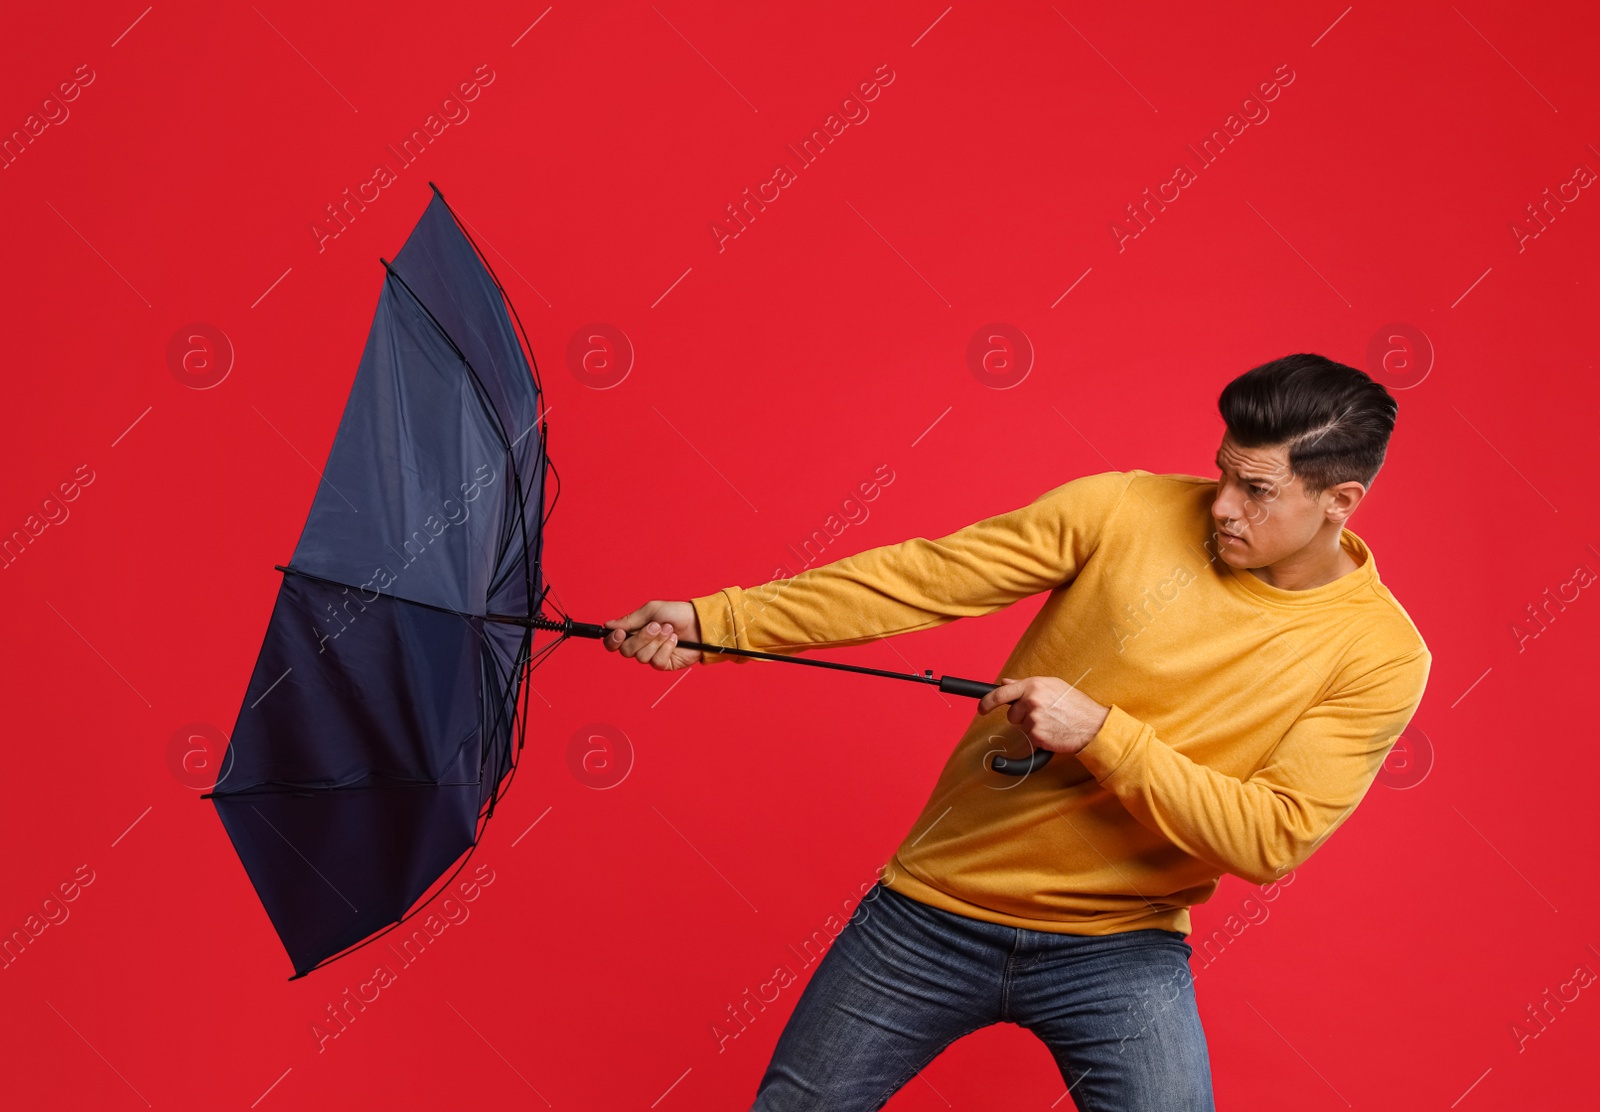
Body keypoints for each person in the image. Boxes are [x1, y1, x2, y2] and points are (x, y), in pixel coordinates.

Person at [602, 353, 1430, 1111]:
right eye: (1221, 473)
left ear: (1339, 502)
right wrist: (722, 620)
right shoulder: (1123, 507)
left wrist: (1103, 732)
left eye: (1256, 489)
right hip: (930, 912)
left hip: (1120, 948)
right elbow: (921, 580)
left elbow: (1269, 839)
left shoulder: (1379, 654)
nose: (1221, 505)